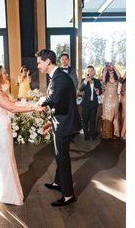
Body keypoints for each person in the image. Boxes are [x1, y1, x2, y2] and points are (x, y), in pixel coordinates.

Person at [0, 65, 43, 206]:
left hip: (5, 126)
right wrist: (33, 108)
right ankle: (8, 194)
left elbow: (13, 103)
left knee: (7, 157)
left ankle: (4, 187)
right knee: (7, 158)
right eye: (3, 73)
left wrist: (34, 103)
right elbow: (11, 108)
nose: (6, 74)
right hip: (1, 129)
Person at [36, 49, 81, 207]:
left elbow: (53, 99)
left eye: (39, 62)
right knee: (59, 155)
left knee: (62, 157)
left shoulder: (59, 78)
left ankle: (68, 195)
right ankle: (57, 182)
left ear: (48, 61)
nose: (38, 66)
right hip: (60, 121)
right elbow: (59, 103)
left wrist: (41, 101)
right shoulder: (56, 76)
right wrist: (49, 121)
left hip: (64, 125)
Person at [79, 65, 102, 141]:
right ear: (87, 72)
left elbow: (100, 91)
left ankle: (93, 136)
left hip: (94, 104)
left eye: (91, 70)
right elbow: (81, 89)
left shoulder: (97, 81)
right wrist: (86, 81)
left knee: (92, 120)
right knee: (85, 121)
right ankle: (86, 136)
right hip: (85, 104)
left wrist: (98, 91)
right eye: (88, 71)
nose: (90, 72)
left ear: (94, 72)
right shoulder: (84, 80)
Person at [101, 63, 121, 139]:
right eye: (110, 71)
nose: (111, 71)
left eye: (112, 70)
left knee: (115, 117)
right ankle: (107, 134)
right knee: (107, 117)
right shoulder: (105, 79)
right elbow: (103, 75)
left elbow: (120, 76)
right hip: (107, 100)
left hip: (115, 99)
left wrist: (114, 66)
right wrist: (106, 67)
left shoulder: (117, 79)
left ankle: (116, 134)